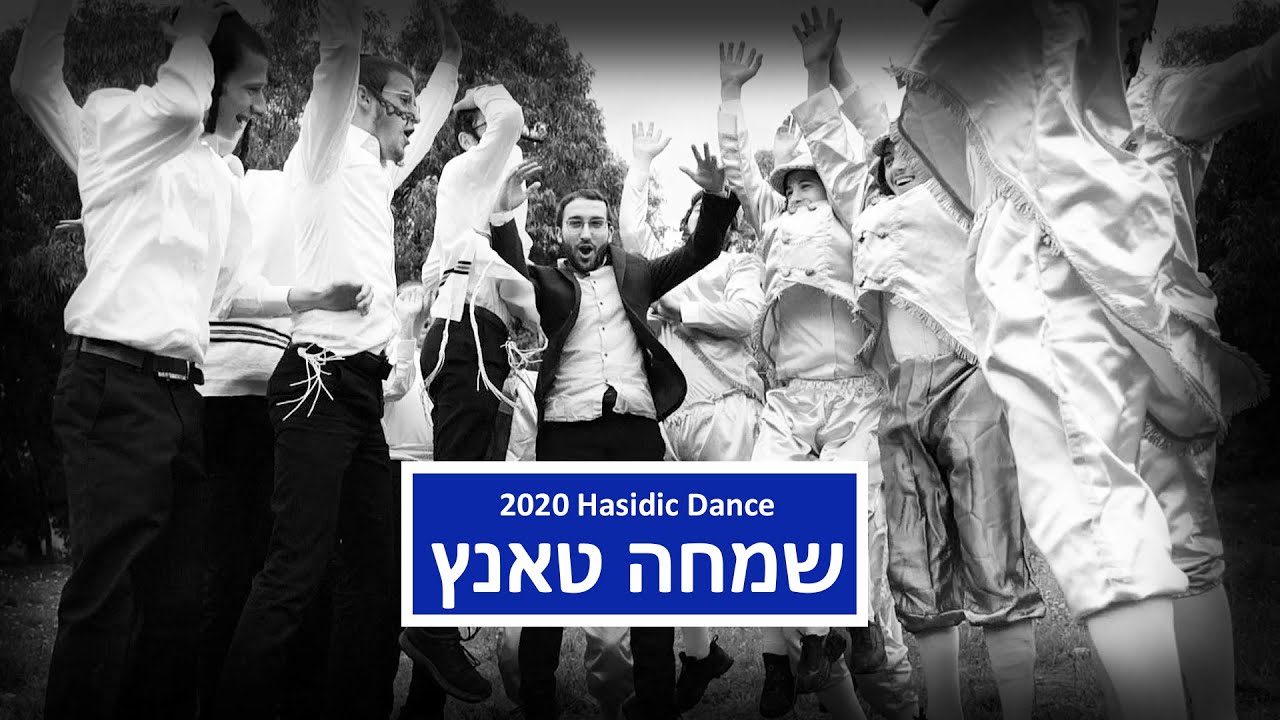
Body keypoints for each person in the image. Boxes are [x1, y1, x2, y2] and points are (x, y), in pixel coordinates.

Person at [891, 1, 1260, 717]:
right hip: (1127, 342)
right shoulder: (1034, 111)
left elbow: (1252, 76)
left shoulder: (1149, 102)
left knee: (1118, 526)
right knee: (1133, 536)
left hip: (1133, 344)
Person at [10, 1, 368, 717]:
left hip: (181, 399)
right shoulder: (116, 121)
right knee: (105, 603)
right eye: (252, 88)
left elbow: (230, 291)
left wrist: (309, 295)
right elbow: (40, 81)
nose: (261, 107)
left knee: (175, 613)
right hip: (112, 384)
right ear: (209, 77)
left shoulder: (220, 177)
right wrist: (196, 26)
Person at [213, 0, 459, 716]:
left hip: (359, 395)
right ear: (364, 102)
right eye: (402, 103)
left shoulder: (376, 175)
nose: (412, 119)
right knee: (295, 569)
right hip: (316, 384)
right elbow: (337, 63)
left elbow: (426, 126)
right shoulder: (321, 155)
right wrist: (344, 23)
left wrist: (448, 65)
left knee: (375, 572)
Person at [716, 15, 914, 720]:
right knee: (769, 522)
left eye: (813, 184)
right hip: (789, 402)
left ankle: (884, 678)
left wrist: (816, 69)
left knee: (860, 530)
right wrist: (730, 94)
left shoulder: (856, 221)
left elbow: (846, 148)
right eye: (793, 186)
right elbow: (739, 170)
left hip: (855, 398)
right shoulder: (771, 226)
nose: (802, 194)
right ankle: (809, 647)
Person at [487, 161, 737, 719]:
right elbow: (508, 264)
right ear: (561, 231)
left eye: (596, 223)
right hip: (566, 437)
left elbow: (699, 252)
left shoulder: (638, 274)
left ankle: (655, 703)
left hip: (634, 433)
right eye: (576, 223)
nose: (587, 233)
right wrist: (503, 212)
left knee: (647, 576)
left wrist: (717, 196)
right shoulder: (545, 282)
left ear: (608, 230)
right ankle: (538, 701)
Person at [1095, 7, 1276, 719]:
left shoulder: (1163, 101)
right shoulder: (1053, 129)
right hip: (1088, 365)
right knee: (1113, 559)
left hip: (1164, 356)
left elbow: (1257, 74)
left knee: (1188, 550)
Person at [836, 123, 1045, 720]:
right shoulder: (871, 218)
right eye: (889, 158)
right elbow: (840, 164)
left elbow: (935, 118)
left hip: (968, 380)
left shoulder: (961, 198)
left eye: (911, 152)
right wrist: (823, 76)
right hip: (901, 398)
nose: (898, 164)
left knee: (993, 549)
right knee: (917, 563)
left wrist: (859, 92)